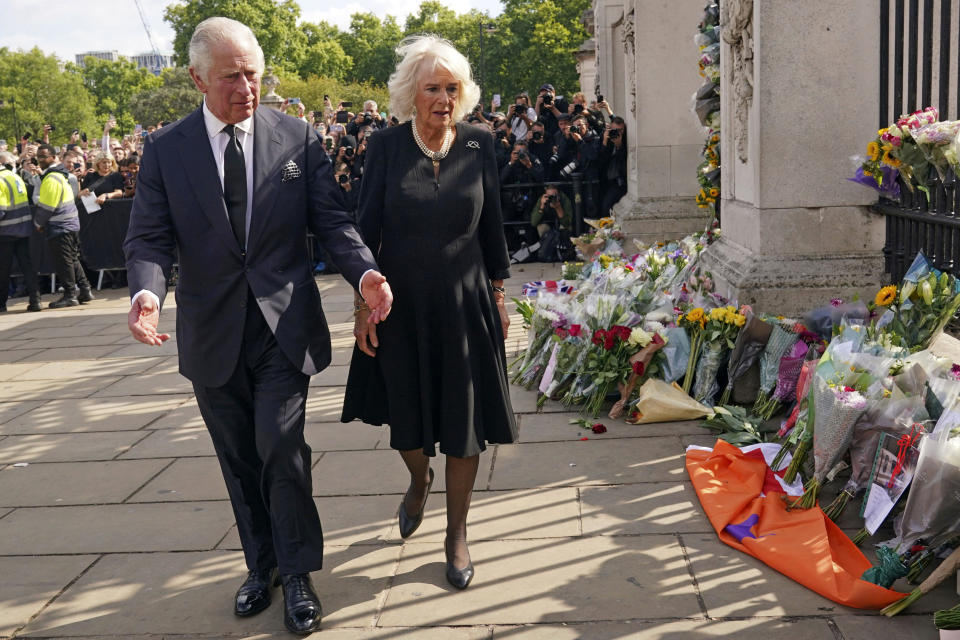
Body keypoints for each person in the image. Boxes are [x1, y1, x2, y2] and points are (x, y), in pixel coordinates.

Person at [122, 17, 393, 636]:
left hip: (283, 326)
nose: (246, 86)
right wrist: (145, 293)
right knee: (240, 457)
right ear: (197, 78)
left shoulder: (297, 137)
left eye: (253, 72)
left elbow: (334, 223)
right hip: (211, 331)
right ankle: (261, 566)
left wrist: (365, 275)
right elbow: (148, 236)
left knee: (279, 445)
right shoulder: (167, 149)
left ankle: (298, 573)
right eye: (230, 76)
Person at [342, 35, 517, 591]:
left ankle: (456, 532)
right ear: (410, 94)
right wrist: (362, 304)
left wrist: (499, 295)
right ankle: (419, 481)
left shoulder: (479, 145)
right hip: (400, 305)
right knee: (407, 426)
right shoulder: (386, 147)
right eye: (433, 88)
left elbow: (492, 230)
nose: (444, 98)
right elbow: (365, 229)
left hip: (465, 305)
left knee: (465, 425)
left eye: (452, 88)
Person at [34, 144, 94, 308]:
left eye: (44, 156)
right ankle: (85, 289)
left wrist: (38, 223)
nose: (40, 159)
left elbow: (47, 206)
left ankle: (70, 295)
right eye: (38, 156)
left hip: (60, 226)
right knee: (72, 259)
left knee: (64, 262)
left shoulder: (52, 177)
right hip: (71, 224)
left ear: (53, 157)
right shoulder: (61, 174)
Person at [0, 151, 42, 312]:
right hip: (23, 228)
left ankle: (1, 303)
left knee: (3, 269)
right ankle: (35, 300)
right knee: (27, 266)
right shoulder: (15, 176)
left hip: (6, 231)